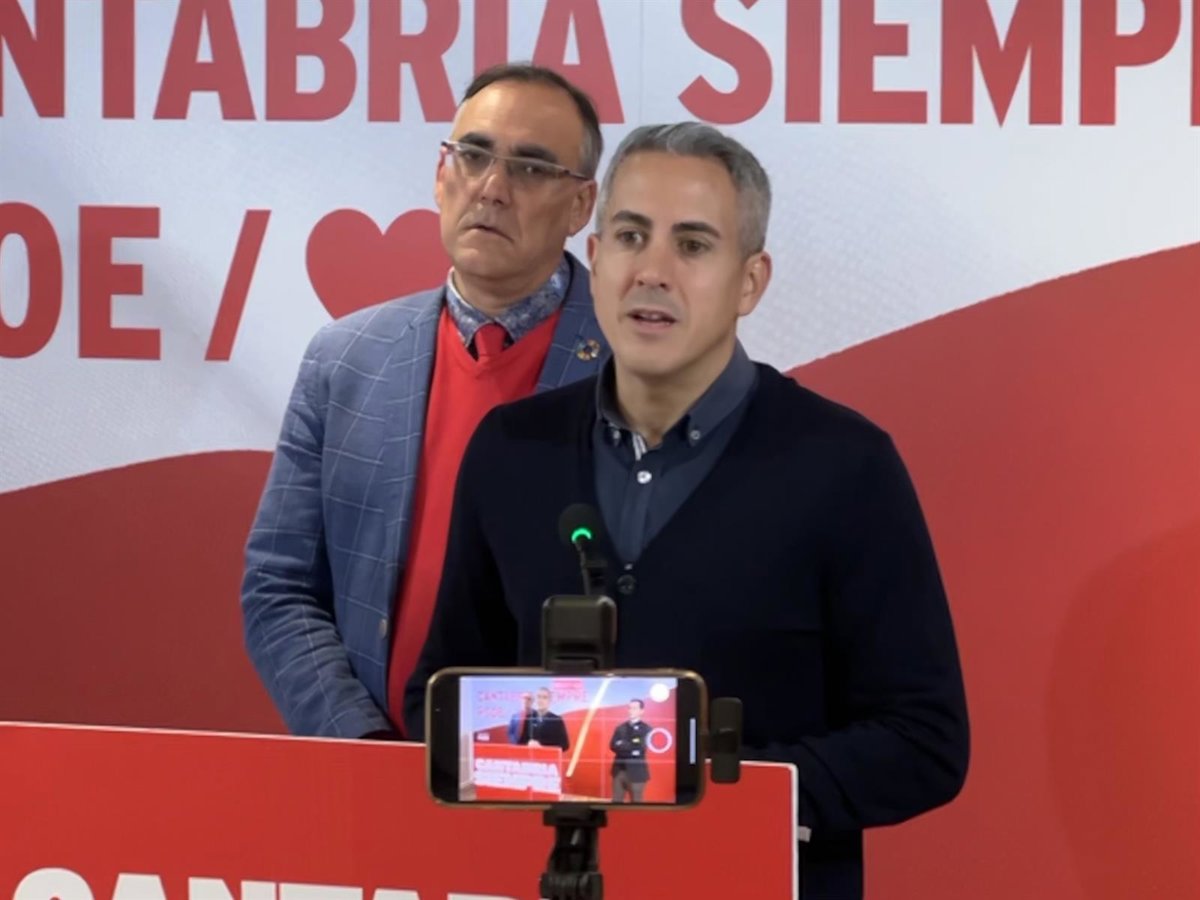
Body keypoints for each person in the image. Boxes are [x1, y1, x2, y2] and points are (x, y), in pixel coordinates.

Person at [405, 122, 969, 899]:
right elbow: (439, 697)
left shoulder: (846, 465)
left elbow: (924, 739)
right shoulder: (512, 450)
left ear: (750, 281)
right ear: (596, 258)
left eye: (694, 245)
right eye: (631, 237)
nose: (653, 271)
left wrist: (713, 786)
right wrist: (555, 761)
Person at [240, 64, 607, 739]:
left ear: (581, 205)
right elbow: (279, 587)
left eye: (530, 169)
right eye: (473, 156)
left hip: (563, 769)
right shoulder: (344, 359)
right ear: (442, 174)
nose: (491, 189)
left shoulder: (636, 371)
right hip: (370, 764)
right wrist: (360, 743)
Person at [609, 699, 651, 802]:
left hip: (637, 773)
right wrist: (631, 749)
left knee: (637, 804)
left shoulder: (647, 729)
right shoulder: (620, 728)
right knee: (616, 802)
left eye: (634, 708)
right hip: (619, 771)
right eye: (629, 708)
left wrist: (622, 745)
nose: (631, 710)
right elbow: (613, 746)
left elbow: (641, 748)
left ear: (641, 711)